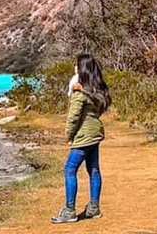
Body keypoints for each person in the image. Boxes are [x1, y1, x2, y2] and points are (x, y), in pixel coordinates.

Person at [51, 53, 111, 224]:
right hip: (95, 133)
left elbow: (74, 116)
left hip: (84, 135)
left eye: (76, 65)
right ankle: (94, 208)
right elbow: (101, 108)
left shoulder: (79, 91)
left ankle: (69, 210)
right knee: (93, 170)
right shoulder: (98, 90)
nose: (74, 68)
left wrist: (69, 135)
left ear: (81, 68)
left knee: (69, 169)